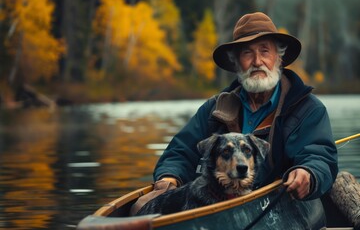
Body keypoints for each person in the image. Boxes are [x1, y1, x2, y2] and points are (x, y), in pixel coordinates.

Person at [130, 12, 338, 215]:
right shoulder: (215, 108)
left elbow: (319, 156)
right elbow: (180, 151)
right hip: (220, 205)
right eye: (247, 53)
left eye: (264, 51)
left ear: (279, 59)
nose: (257, 61)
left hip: (281, 208)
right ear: (237, 63)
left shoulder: (308, 109)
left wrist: (309, 173)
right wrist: (169, 179)